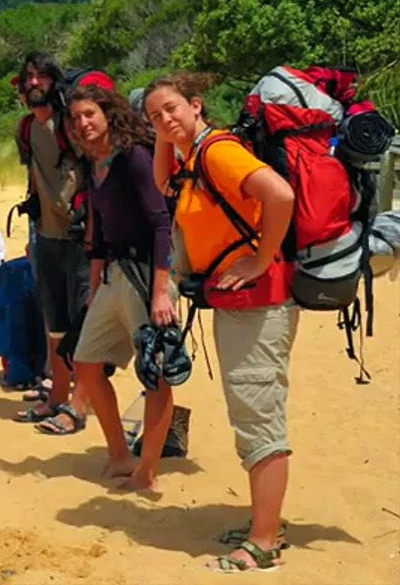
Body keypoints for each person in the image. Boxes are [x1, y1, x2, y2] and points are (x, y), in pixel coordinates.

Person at [145, 72, 296, 573]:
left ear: (196, 105)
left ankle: (263, 543)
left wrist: (259, 260)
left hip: (259, 300)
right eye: (153, 115)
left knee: (257, 417)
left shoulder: (218, 153)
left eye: (171, 109)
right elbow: (162, 183)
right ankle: (264, 521)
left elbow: (280, 196)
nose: (164, 119)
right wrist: (167, 136)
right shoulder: (192, 158)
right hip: (240, 304)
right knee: (251, 410)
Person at [65, 86, 176, 489]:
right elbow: (99, 229)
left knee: (155, 374)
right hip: (113, 274)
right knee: (87, 364)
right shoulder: (94, 162)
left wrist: (162, 291)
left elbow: (161, 223)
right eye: (76, 117)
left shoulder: (133, 158)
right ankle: (118, 454)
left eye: (90, 114)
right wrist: (95, 283)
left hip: (147, 275)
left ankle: (147, 470)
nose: (83, 123)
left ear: (108, 114)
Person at [13, 52, 91, 435]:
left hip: (83, 238)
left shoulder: (74, 124)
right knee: (56, 322)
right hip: (46, 236)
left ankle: (79, 405)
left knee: (85, 323)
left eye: (41, 76)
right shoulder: (26, 129)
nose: (33, 83)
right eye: (27, 77)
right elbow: (35, 178)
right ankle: (58, 397)